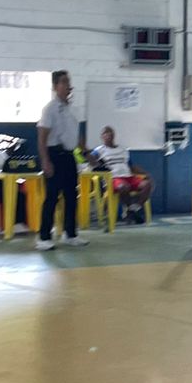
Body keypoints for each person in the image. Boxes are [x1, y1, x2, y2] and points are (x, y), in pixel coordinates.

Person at [36, 70, 87, 251]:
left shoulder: (73, 108)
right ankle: (44, 238)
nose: (68, 85)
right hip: (54, 155)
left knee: (71, 196)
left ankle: (70, 234)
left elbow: (76, 135)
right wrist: (45, 161)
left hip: (69, 156)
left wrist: (86, 152)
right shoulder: (49, 109)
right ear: (55, 86)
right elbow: (42, 137)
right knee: (51, 198)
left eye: (68, 82)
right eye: (63, 82)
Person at [90, 126, 149, 222]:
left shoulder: (123, 149)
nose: (108, 134)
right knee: (123, 186)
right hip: (113, 178)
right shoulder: (99, 150)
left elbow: (131, 166)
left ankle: (134, 209)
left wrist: (145, 173)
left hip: (129, 176)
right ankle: (132, 212)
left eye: (110, 132)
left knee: (147, 184)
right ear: (102, 136)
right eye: (105, 133)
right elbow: (91, 161)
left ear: (114, 135)